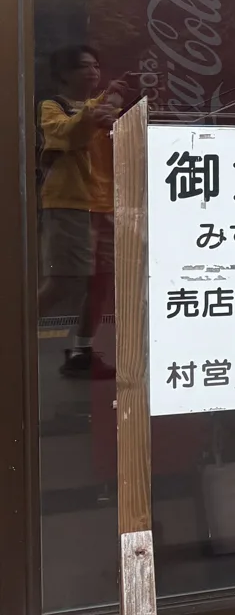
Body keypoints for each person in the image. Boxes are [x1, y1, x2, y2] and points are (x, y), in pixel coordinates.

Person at [38, 46, 125, 379]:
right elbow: (69, 135)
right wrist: (99, 109)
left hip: (105, 203)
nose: (93, 71)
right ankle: (13, 341)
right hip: (70, 203)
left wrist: (111, 111)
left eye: (96, 65)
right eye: (83, 66)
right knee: (63, 282)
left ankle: (82, 351)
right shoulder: (51, 107)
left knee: (100, 281)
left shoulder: (106, 108)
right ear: (63, 74)